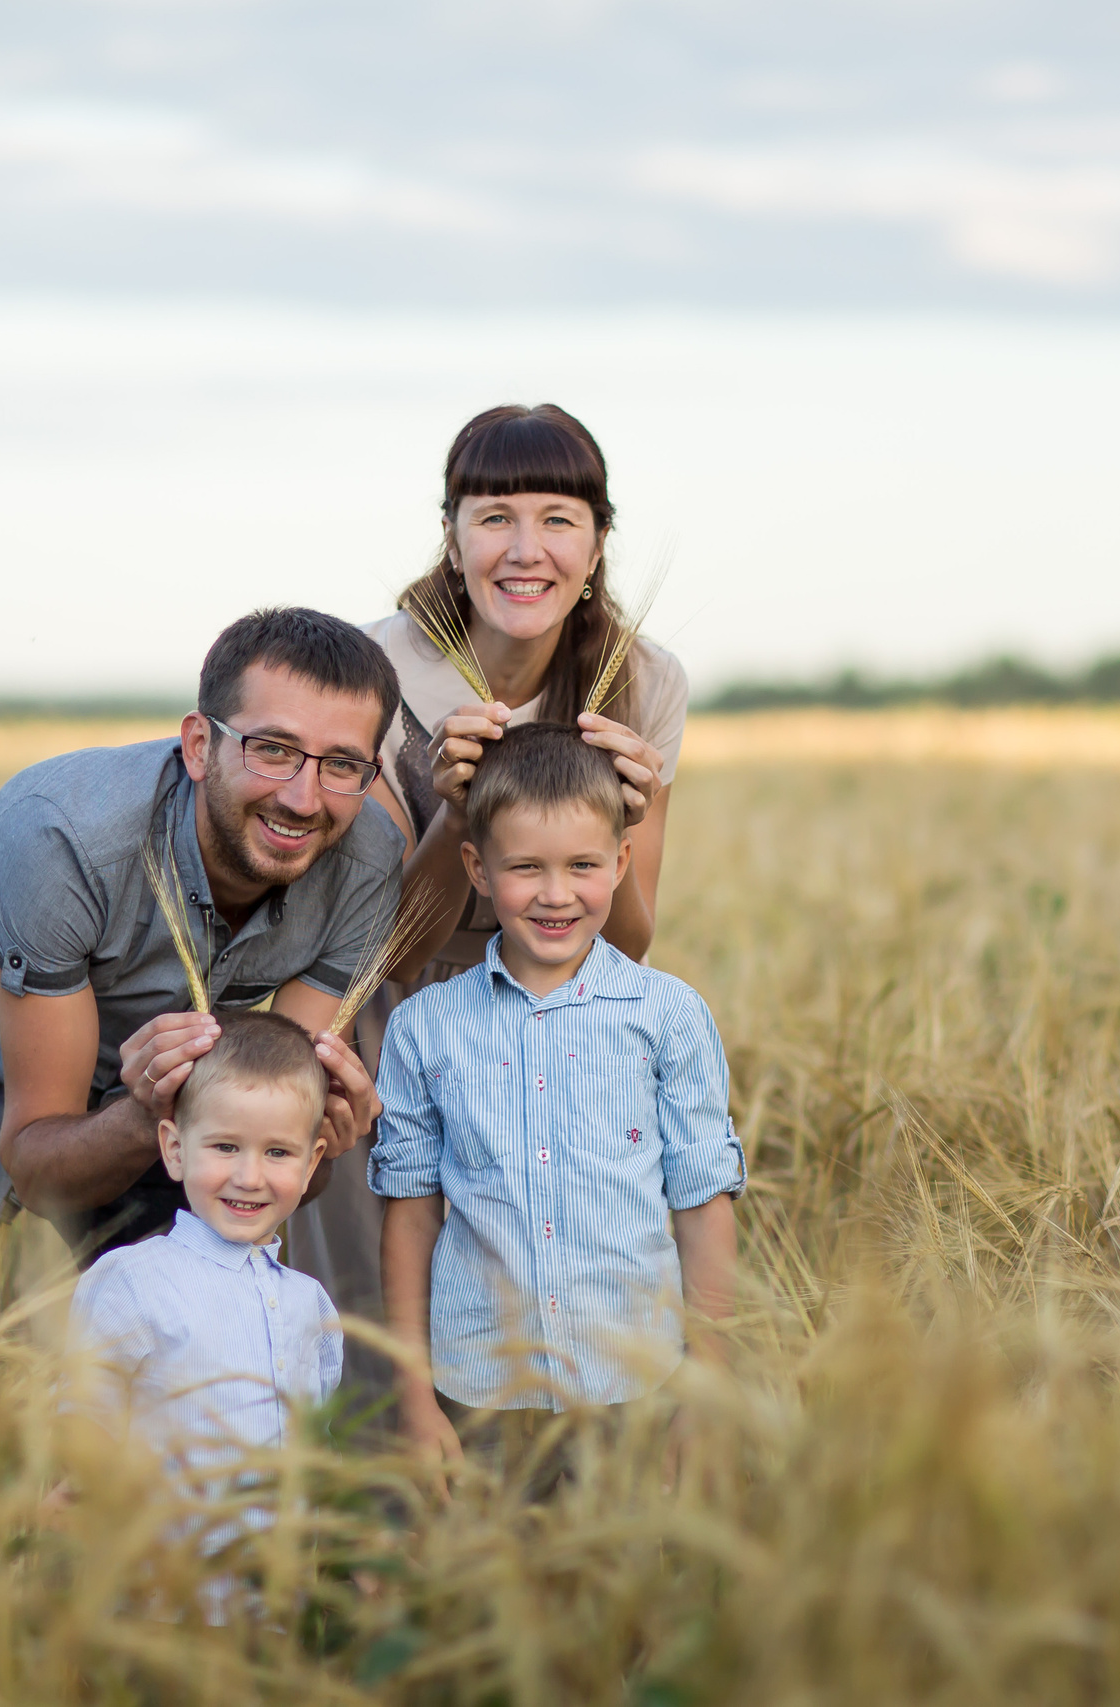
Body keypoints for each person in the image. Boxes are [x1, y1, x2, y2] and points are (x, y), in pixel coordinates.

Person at [0, 606, 401, 1300]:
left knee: (179, 1361)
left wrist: (318, 1139)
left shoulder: (369, 861)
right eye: (272, 749)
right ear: (197, 745)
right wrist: (141, 1114)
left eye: (342, 764)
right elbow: (37, 1163)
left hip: (159, 1077)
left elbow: (273, 1119)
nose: (305, 798)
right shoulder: (60, 837)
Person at [284, 404, 689, 1388]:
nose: (526, 548)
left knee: (527, 1322)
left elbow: (627, 945)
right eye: (494, 515)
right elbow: (387, 951)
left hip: (539, 1031)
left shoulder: (642, 681)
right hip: (383, 1025)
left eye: (558, 518)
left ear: (597, 543)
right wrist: (458, 813)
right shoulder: (372, 672)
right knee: (376, 1334)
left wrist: (623, 830)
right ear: (452, 536)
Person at [368, 722, 743, 1482]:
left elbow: (703, 1207)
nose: (555, 893)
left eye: (582, 865)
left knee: (626, 1594)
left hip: (636, 1384)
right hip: (479, 1392)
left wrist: (706, 1390)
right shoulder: (423, 1027)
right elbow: (411, 1214)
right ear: (476, 866)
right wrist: (413, 1392)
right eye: (525, 867)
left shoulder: (667, 1015)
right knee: (484, 1589)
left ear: (622, 862)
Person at [70, 1010, 343, 1474]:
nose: (248, 1177)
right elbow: (82, 1424)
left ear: (311, 1164)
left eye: (277, 1152)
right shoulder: (133, 1282)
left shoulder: (311, 1303)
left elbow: (317, 1444)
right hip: (166, 1545)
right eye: (225, 1147)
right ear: (175, 1150)